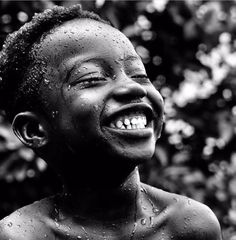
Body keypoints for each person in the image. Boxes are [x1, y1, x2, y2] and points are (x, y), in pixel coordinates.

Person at [0, 4, 222, 240]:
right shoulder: (24, 235)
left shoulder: (192, 226)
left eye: (139, 76)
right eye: (92, 78)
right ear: (34, 130)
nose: (133, 87)